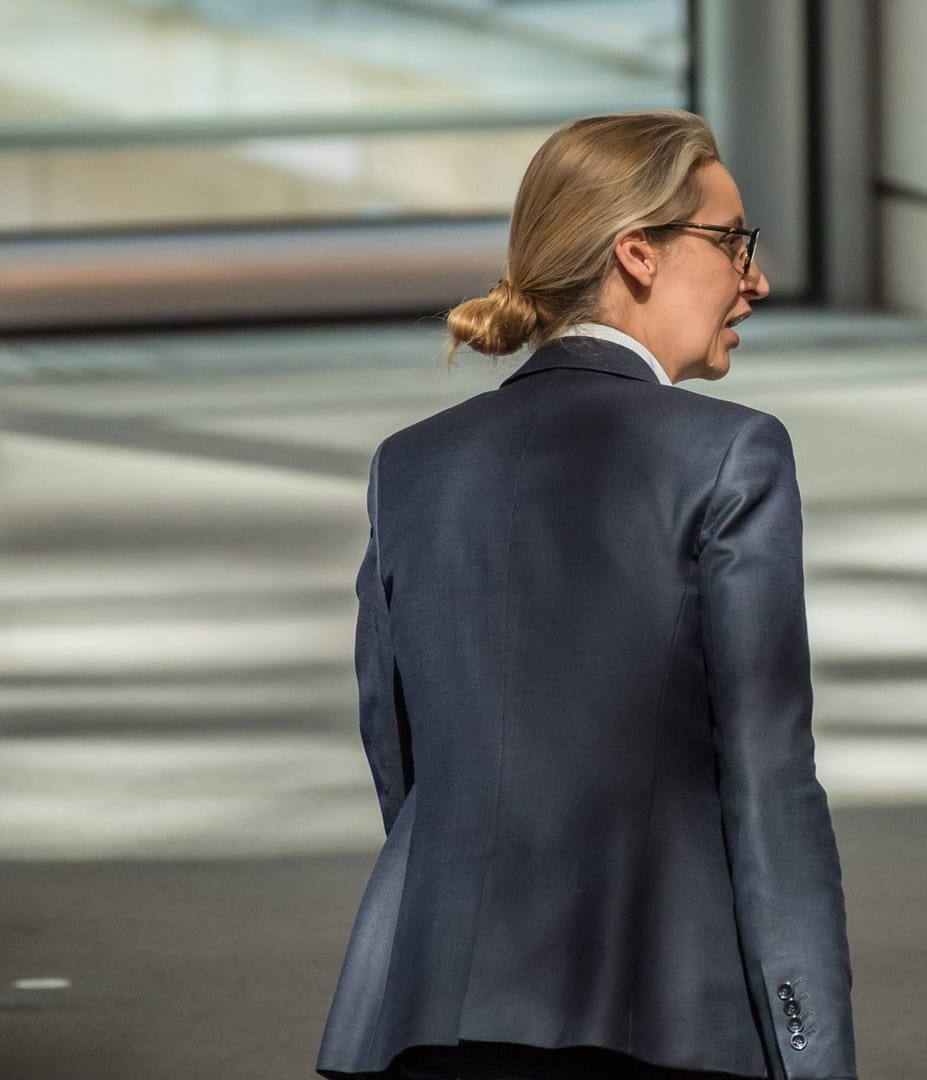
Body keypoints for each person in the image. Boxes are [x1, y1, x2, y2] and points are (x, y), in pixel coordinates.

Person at [315, 110, 856, 1080]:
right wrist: (813, 1052)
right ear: (638, 253)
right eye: (734, 242)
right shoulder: (730, 454)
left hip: (419, 1015)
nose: (756, 280)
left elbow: (405, 766)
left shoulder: (412, 466)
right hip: (656, 1018)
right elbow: (768, 784)